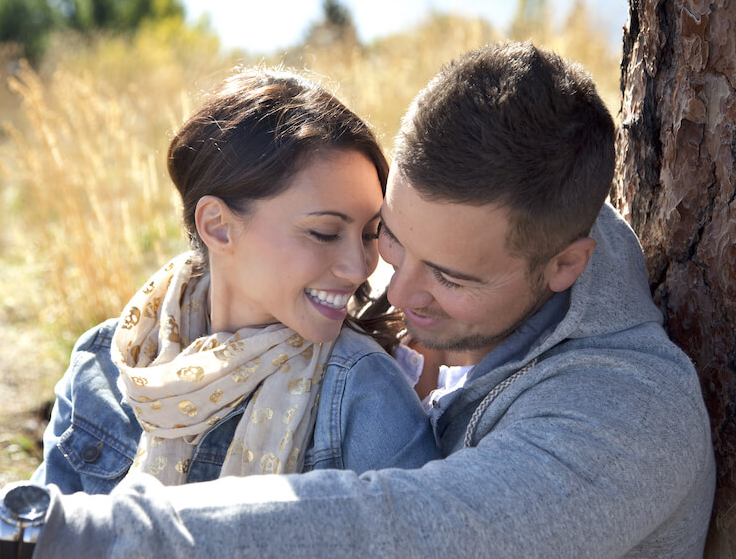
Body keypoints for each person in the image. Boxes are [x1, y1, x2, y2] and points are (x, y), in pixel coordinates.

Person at [0, 42, 714, 559]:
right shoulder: (121, 353)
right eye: (394, 238)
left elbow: (394, 527)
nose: (392, 286)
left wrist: (57, 532)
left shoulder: (626, 417)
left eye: (454, 278)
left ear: (567, 263)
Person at [29, 68, 439, 496]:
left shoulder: (364, 393)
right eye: (324, 233)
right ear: (218, 226)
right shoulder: (106, 365)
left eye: (370, 233)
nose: (359, 268)